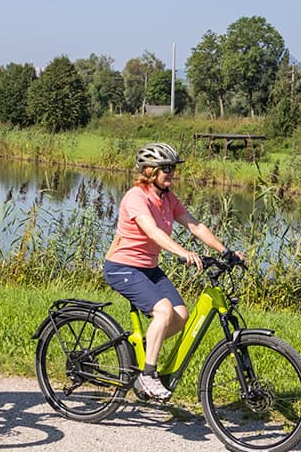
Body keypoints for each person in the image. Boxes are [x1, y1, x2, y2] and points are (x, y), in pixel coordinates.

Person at [100, 142, 238, 403]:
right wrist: (183, 252)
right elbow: (153, 232)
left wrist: (225, 251)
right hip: (122, 267)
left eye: (173, 168)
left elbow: (195, 225)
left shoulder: (168, 198)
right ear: (149, 170)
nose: (171, 173)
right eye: (166, 168)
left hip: (148, 268)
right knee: (163, 311)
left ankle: (144, 351)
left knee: (181, 315)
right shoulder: (136, 197)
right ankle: (148, 375)